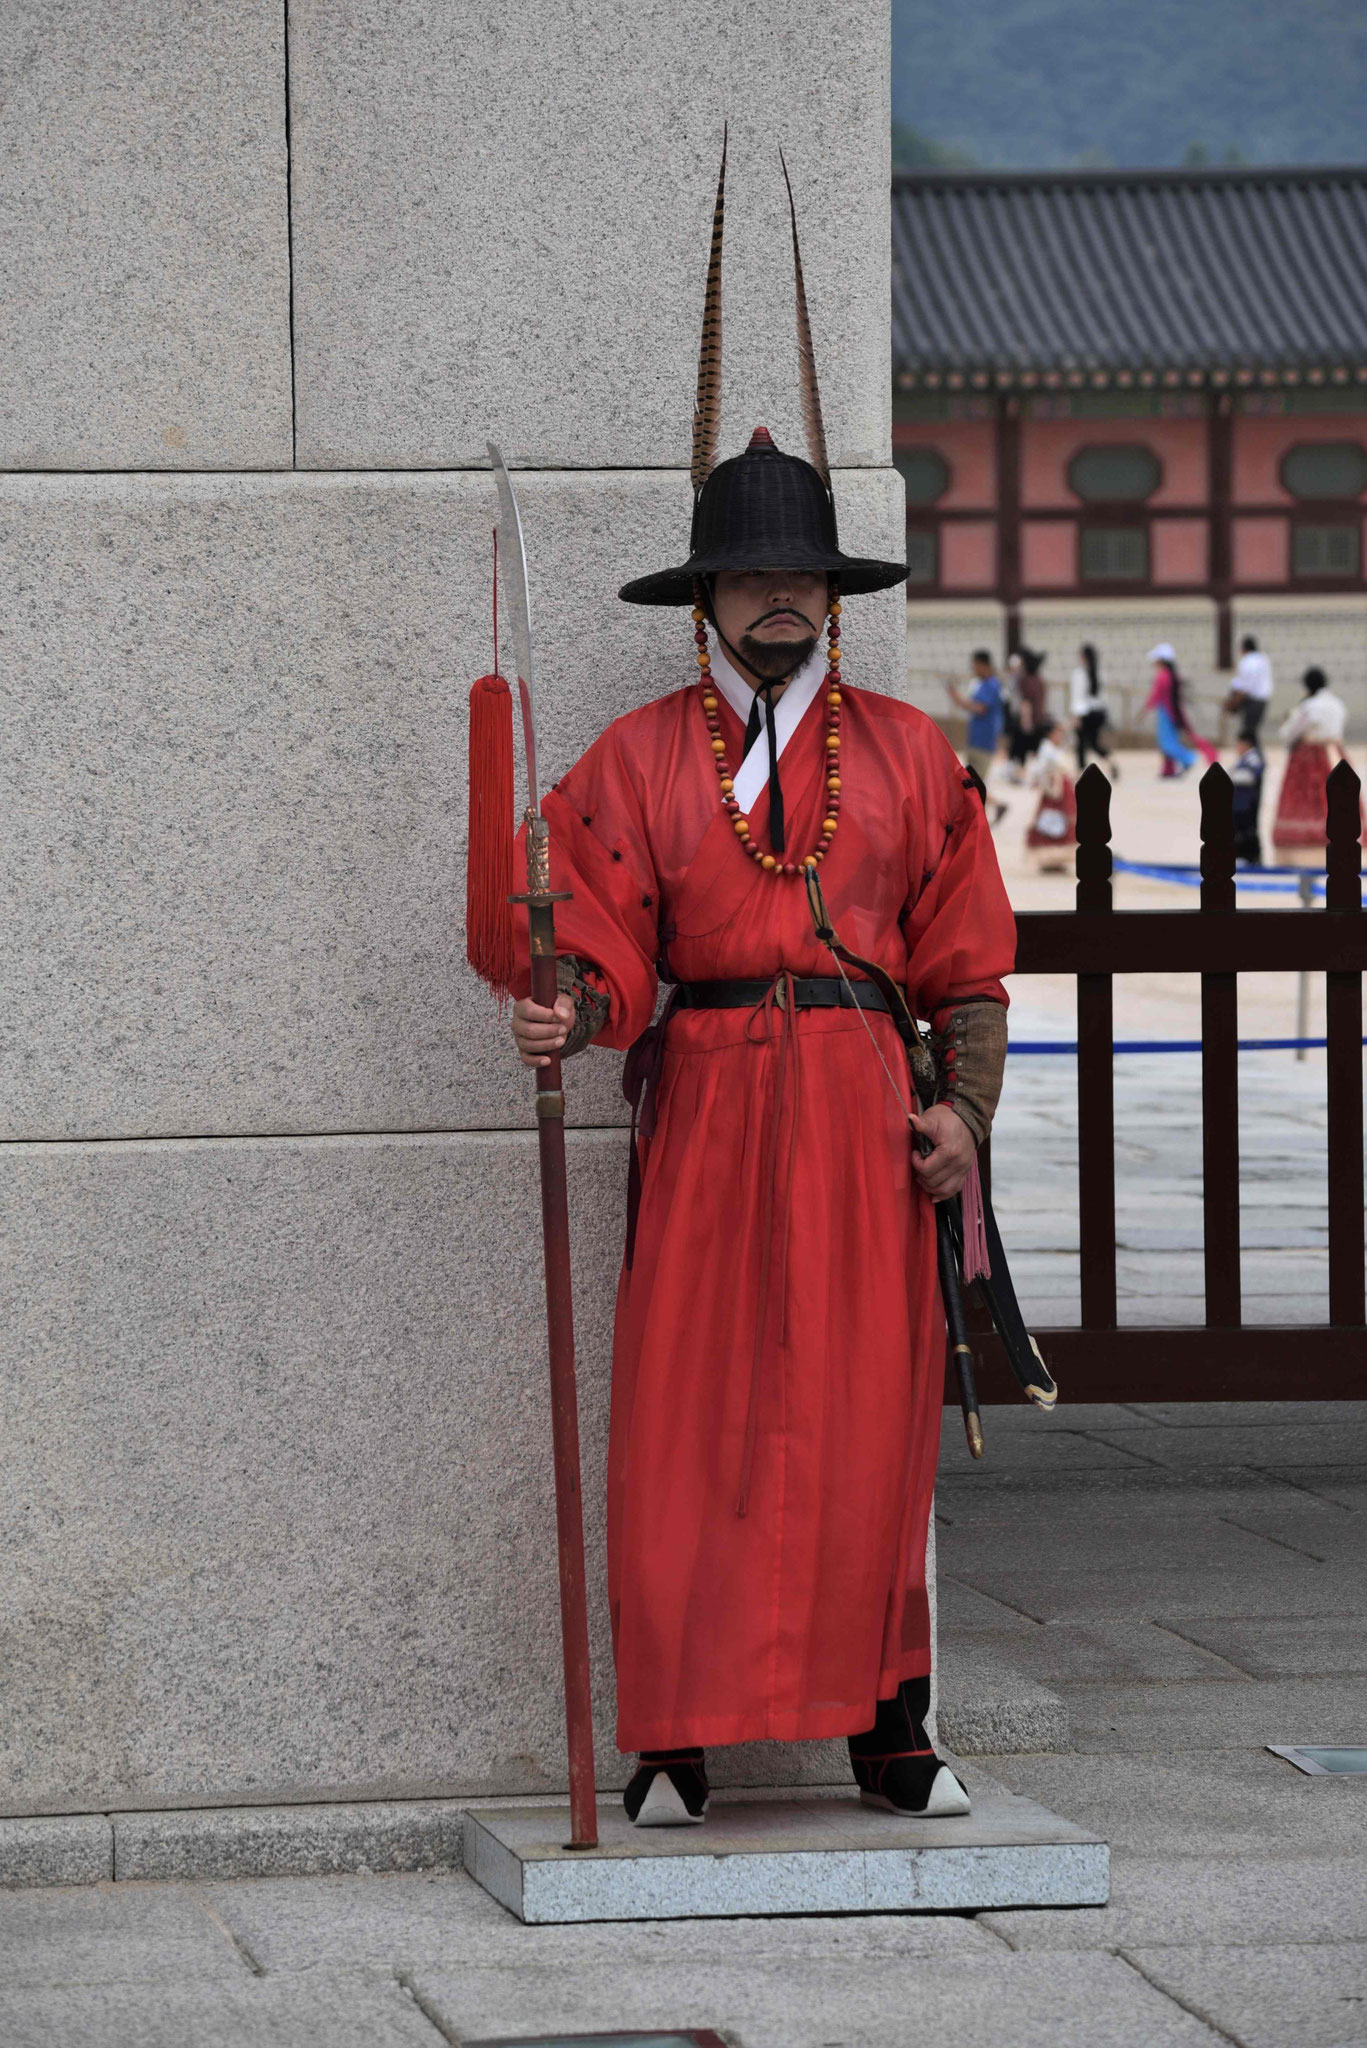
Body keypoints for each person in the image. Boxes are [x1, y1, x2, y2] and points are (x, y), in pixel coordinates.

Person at [507, 152, 1015, 1830]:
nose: (778, 599)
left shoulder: (919, 757)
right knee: (689, 1429)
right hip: (710, 1113)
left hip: (867, 1125)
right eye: (749, 579)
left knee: (868, 1425)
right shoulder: (639, 759)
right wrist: (569, 1006)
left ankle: (891, 1728)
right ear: (708, 599)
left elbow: (966, 956)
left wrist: (961, 1109)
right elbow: (594, 931)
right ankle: (677, 1735)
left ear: (834, 596)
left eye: (803, 577)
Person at [1272, 666, 1351, 856]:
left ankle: (1308, 841)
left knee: (1310, 795)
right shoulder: (1337, 704)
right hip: (1336, 752)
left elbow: (1290, 732)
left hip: (1310, 756)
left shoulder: (1309, 706)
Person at [946, 650, 1007, 822]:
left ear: (983, 665)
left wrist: (958, 699)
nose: (973, 670)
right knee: (971, 783)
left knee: (974, 785)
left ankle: (986, 816)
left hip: (984, 742)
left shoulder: (992, 685)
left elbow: (980, 708)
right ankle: (991, 810)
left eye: (975, 666)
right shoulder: (982, 684)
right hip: (976, 740)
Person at [1145, 643, 1217, 777]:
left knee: (1167, 743)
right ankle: (1168, 769)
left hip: (1167, 712)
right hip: (1171, 712)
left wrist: (1145, 709)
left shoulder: (1163, 676)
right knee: (1170, 741)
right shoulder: (1171, 675)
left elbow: (1157, 695)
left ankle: (1188, 758)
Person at [1024, 716, 1078, 872]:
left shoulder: (1053, 748)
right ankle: (1049, 861)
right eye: (1058, 731)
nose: (1061, 735)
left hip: (1062, 791)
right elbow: (1039, 770)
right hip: (1054, 793)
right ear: (1050, 733)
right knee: (1051, 822)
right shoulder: (1047, 749)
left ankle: (1057, 861)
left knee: (1064, 822)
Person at [1069, 642, 1117, 777]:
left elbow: (1077, 696)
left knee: (1081, 744)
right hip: (1098, 713)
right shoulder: (1100, 673)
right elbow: (1103, 697)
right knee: (1094, 743)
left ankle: (1081, 772)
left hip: (1085, 713)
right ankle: (1110, 760)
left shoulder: (1079, 674)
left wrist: (1076, 715)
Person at [1227, 634, 1274, 745]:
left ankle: (1254, 758)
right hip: (1263, 699)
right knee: (1251, 731)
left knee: (1248, 732)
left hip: (1252, 700)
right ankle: (1257, 757)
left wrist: (1234, 702)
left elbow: (1245, 686)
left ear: (1244, 649)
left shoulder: (1247, 661)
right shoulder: (1263, 659)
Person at [1230, 733, 1265, 866]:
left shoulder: (1254, 757)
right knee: (1238, 830)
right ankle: (1241, 855)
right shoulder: (1245, 758)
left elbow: (1252, 775)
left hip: (1247, 803)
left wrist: (1231, 776)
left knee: (1247, 831)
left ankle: (1250, 858)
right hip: (1239, 803)